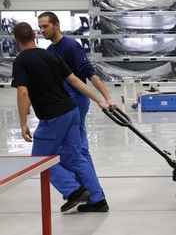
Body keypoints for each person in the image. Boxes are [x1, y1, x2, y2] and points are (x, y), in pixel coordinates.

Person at [11, 22, 110, 212]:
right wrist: (99, 100)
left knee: (40, 159)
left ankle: (73, 190)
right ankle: (98, 199)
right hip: (71, 111)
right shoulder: (50, 55)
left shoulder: (22, 61)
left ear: (16, 40)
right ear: (34, 35)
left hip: (54, 116)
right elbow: (75, 80)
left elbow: (23, 92)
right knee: (75, 157)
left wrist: (23, 122)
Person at [38, 12, 117, 212]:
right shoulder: (50, 49)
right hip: (65, 102)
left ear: (56, 25)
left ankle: (78, 190)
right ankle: (93, 197)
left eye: (45, 26)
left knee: (68, 152)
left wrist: (106, 97)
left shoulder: (71, 46)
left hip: (74, 102)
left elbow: (89, 73)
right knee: (78, 150)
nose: (42, 30)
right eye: (40, 27)